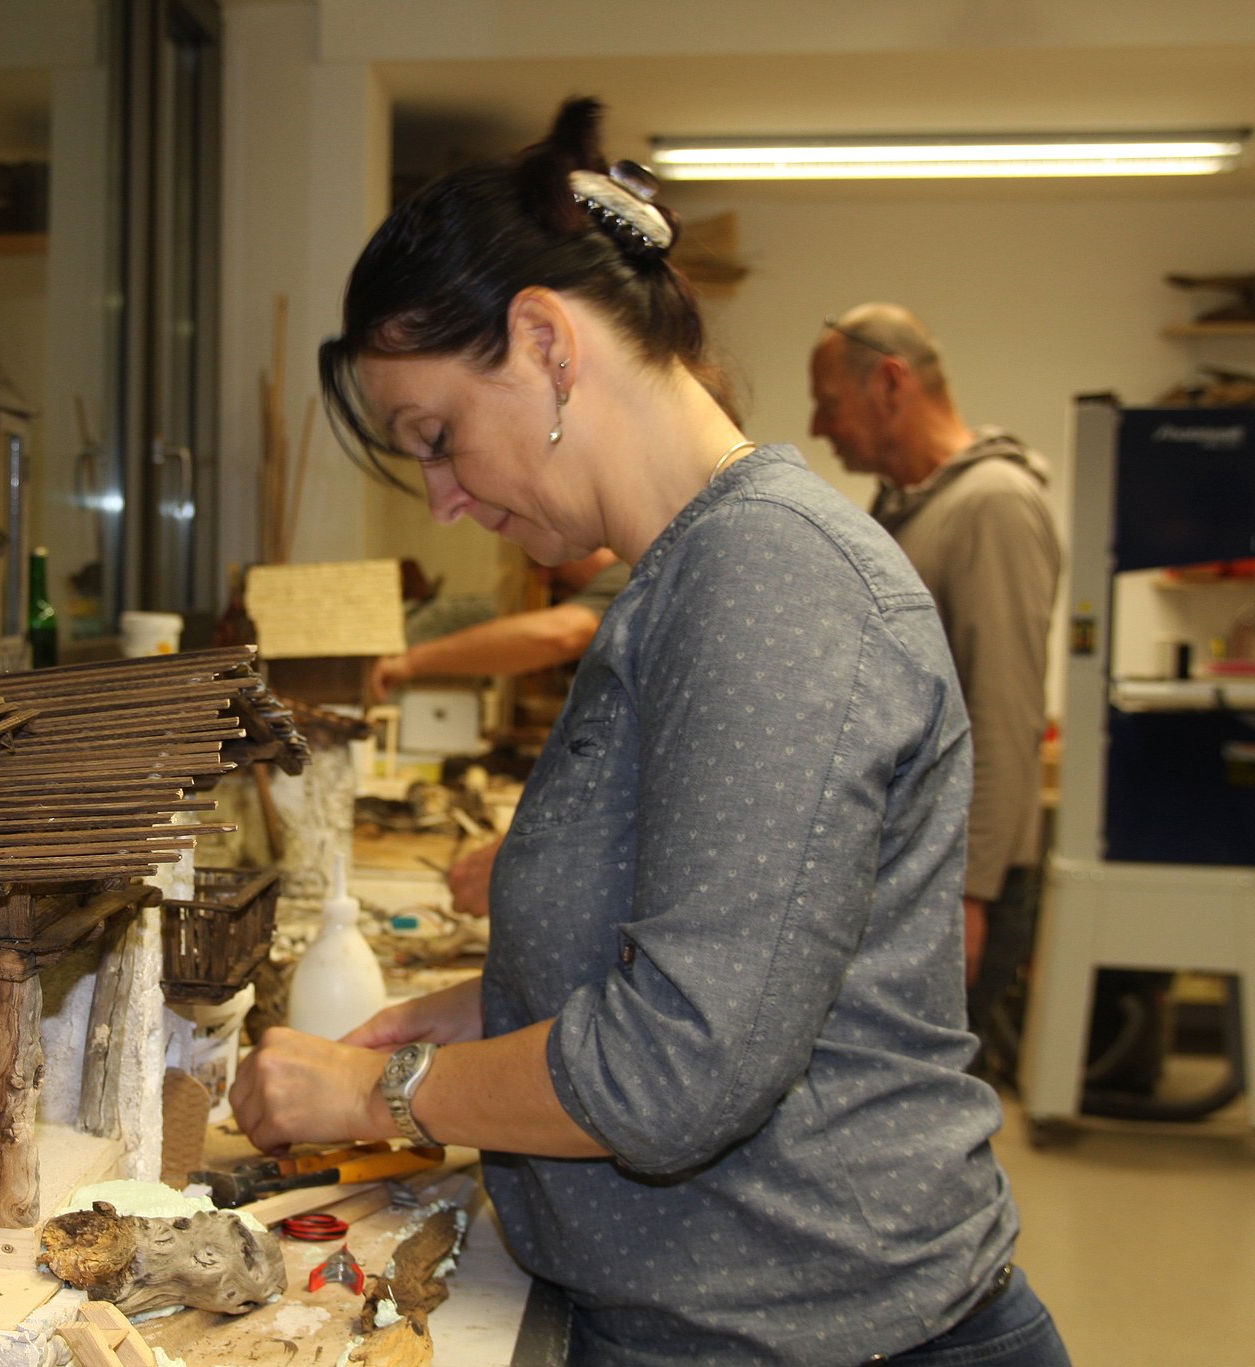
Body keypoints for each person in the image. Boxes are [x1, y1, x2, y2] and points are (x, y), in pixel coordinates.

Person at [230, 98, 1068, 1365]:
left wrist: (375, 1092)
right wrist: (484, 1007)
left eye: (437, 439)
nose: (443, 500)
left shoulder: (768, 579)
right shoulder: (680, 575)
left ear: (544, 343)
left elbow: (679, 1069)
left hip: (827, 1332)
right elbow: (737, 949)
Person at [808, 305, 1061, 1072]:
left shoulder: (993, 504)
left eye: (830, 403)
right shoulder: (906, 506)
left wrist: (971, 896)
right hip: (912, 873)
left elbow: (1004, 709)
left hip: (955, 888)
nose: (819, 426)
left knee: (927, 1107)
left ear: (891, 382)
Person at [370, 548, 626, 703]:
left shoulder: (624, 576)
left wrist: (410, 663)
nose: (543, 579)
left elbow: (560, 635)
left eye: (546, 564)